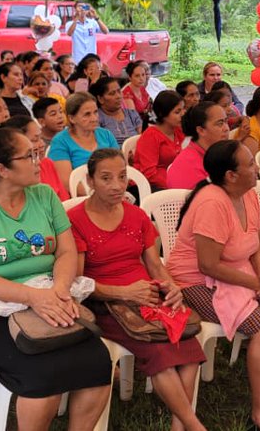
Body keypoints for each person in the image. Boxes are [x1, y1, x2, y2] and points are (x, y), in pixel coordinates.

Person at [0, 127, 113, 431]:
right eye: (30, 155)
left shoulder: (44, 195)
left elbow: (66, 253)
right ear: (2, 169)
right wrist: (34, 297)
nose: (39, 160)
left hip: (50, 296)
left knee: (98, 361)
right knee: (42, 375)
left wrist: (60, 290)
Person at [165, 140, 260, 431]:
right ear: (230, 175)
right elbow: (208, 265)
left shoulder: (248, 193)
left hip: (235, 272)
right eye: (250, 164)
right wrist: (255, 282)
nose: (257, 168)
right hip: (194, 281)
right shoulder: (213, 202)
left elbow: (256, 240)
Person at [70, 149, 207, 431]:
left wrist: (171, 287)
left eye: (122, 177)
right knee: (161, 356)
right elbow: (77, 281)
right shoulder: (75, 219)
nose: (117, 185)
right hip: (105, 303)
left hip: (146, 295)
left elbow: (154, 265)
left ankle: (179, 428)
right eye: (106, 178)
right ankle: (194, 426)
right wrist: (123, 293)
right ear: (90, 181)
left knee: (190, 345)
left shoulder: (137, 215)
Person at [49, 92, 119, 193]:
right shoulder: (60, 142)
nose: (94, 118)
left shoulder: (106, 135)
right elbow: (67, 183)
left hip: (112, 191)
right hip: (81, 197)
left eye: (95, 112)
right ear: (72, 118)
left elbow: (121, 167)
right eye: (87, 114)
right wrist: (99, 196)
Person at [166, 101, 229, 190]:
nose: (226, 128)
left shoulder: (216, 154)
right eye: (220, 123)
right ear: (201, 130)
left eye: (226, 121)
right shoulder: (188, 168)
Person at [133, 91, 186, 191]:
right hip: (152, 186)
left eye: (183, 109)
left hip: (175, 180)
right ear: (162, 114)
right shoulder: (151, 136)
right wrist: (177, 183)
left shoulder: (179, 131)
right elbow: (150, 173)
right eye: (177, 112)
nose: (183, 114)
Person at [92, 77, 143, 145]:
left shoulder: (132, 114)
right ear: (100, 99)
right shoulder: (96, 118)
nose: (118, 96)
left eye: (119, 91)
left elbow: (142, 137)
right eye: (112, 93)